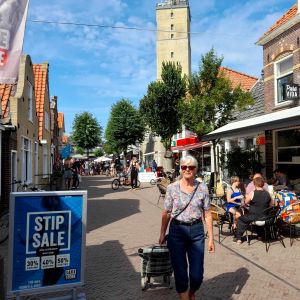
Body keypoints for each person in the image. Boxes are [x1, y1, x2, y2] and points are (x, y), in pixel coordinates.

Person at [159, 155, 215, 300]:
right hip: (176, 231)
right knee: (180, 271)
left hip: (196, 231)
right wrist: (162, 233)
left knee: (197, 275)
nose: (187, 169)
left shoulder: (202, 188)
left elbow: (208, 214)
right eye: (184, 167)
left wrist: (211, 239)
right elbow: (166, 213)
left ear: (196, 169)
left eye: (191, 167)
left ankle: (192, 292)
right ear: (181, 169)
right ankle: (184, 296)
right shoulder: (172, 188)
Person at [234, 177, 273, 244]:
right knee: (258, 218)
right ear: (263, 184)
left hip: (254, 216)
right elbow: (271, 204)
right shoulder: (268, 193)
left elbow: (245, 203)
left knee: (241, 219)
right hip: (265, 216)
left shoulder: (252, 193)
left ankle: (239, 239)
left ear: (255, 184)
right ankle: (260, 236)